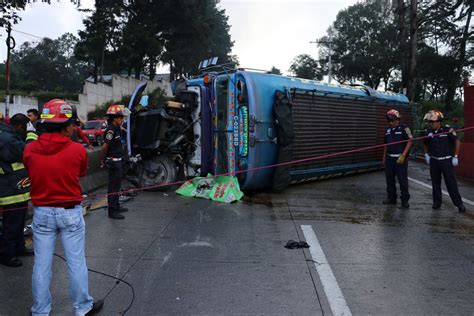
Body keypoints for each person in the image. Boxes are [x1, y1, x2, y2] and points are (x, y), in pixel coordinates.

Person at [23, 99, 103, 315]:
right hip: (70, 213)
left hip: (41, 214)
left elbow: (31, 171)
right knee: (76, 261)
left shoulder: (29, 150)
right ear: (66, 125)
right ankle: (82, 307)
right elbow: (81, 173)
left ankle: (40, 311)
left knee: (41, 264)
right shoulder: (77, 150)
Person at [0, 113, 33, 268]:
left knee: (19, 220)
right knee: (11, 223)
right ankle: (7, 254)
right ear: (21, 126)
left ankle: (19, 247)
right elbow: (28, 153)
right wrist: (32, 136)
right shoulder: (6, 139)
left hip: (18, 186)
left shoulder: (8, 135)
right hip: (10, 189)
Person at [423, 110, 466, 213]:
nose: (430, 124)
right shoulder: (429, 132)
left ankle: (459, 204)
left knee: (451, 183)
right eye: (429, 122)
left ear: (439, 122)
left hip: (446, 161)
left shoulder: (448, 130)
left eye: (432, 122)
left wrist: (455, 156)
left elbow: (457, 141)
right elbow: (425, 142)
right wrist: (426, 154)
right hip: (434, 161)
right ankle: (437, 203)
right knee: (435, 183)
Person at [100, 104, 128, 220]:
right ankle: (112, 211)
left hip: (119, 161)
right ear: (115, 118)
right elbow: (104, 147)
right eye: (121, 117)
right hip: (113, 162)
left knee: (117, 186)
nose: (122, 120)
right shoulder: (110, 130)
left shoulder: (117, 129)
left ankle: (116, 205)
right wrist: (102, 160)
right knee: (113, 187)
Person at [382, 109, 413, 209]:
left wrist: (403, 155)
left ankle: (405, 201)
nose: (390, 123)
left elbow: (410, 140)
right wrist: (384, 157)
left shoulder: (404, 128)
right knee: (389, 180)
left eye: (392, 120)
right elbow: (386, 145)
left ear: (397, 119)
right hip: (389, 159)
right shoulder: (387, 130)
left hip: (400, 159)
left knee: (402, 180)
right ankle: (391, 198)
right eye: (389, 121)